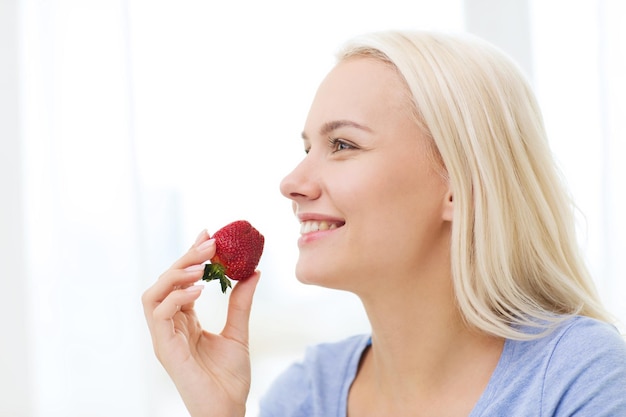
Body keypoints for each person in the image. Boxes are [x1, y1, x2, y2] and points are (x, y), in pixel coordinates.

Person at [142, 30, 626, 416]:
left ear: (460, 185)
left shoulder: (580, 378)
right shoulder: (307, 394)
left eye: (344, 145)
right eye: (308, 147)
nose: (291, 181)